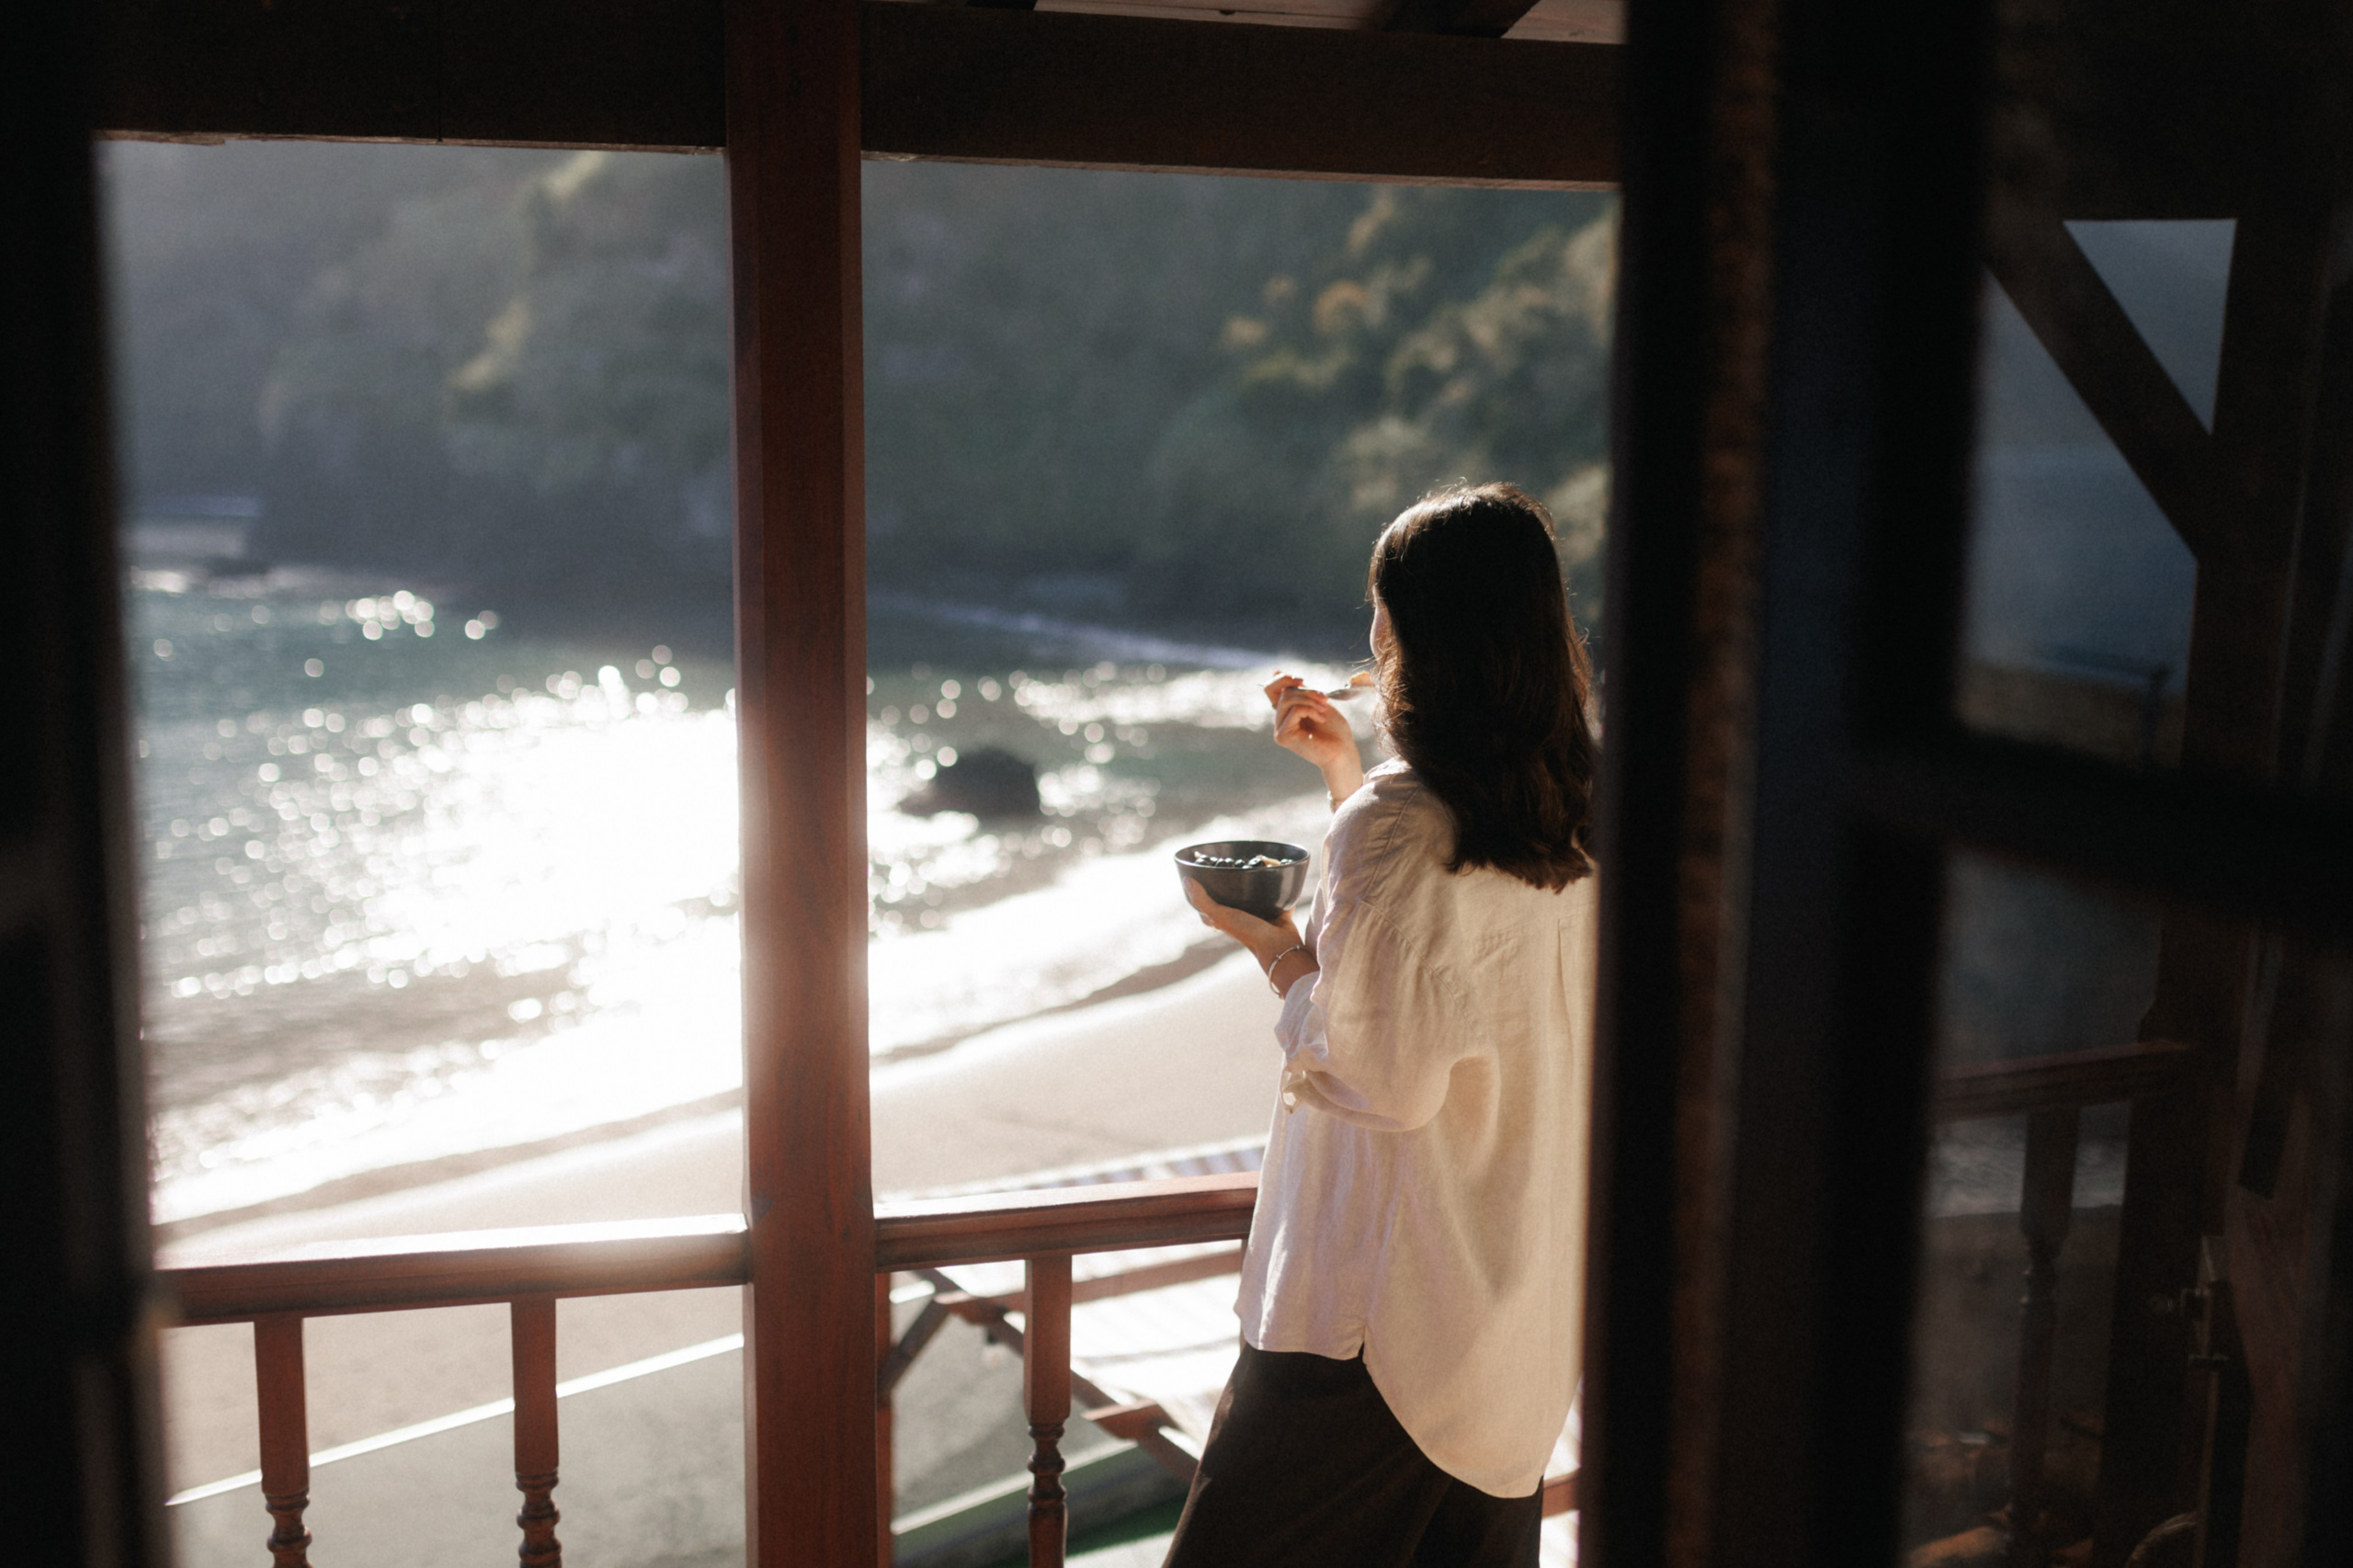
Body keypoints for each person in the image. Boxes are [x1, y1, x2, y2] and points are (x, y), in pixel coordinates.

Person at [1168, 482, 1598, 1568]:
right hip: (1507, 1329)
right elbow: (1442, 967)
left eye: (1382, 609)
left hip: (1369, 1335)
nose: (1370, 634)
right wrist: (1345, 774)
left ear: (1414, 637)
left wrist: (1272, 946)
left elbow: (1378, 1070)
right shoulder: (1573, 806)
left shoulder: (1398, 828)